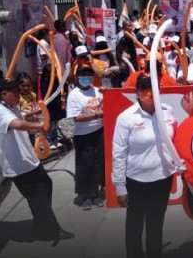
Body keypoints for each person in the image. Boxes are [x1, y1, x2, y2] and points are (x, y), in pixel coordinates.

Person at [0, 78, 74, 241]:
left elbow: (22, 115)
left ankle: (41, 222)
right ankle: (49, 231)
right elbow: (17, 124)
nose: (20, 94)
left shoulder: (10, 106)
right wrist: (40, 127)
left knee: (46, 186)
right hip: (18, 166)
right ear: (4, 94)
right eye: (16, 92)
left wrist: (35, 113)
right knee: (38, 197)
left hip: (29, 162)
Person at [112, 74, 177, 258]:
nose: (149, 93)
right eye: (144, 89)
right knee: (134, 226)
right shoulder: (127, 117)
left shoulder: (168, 111)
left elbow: (174, 140)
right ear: (138, 92)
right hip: (137, 180)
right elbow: (118, 152)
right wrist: (120, 186)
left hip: (163, 178)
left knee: (156, 224)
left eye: (153, 88)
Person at [66, 64, 105, 210]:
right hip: (82, 134)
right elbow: (76, 117)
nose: (86, 77)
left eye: (89, 75)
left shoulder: (97, 91)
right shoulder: (74, 95)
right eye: (83, 75)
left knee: (97, 163)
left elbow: (103, 105)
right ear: (77, 77)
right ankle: (85, 195)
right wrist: (96, 115)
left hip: (99, 131)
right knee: (84, 164)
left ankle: (96, 194)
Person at [40, 65, 66, 150]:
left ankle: (54, 139)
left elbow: (63, 87)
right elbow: (45, 94)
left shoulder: (57, 81)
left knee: (55, 124)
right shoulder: (44, 83)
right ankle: (49, 140)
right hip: (49, 106)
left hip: (56, 106)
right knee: (50, 124)